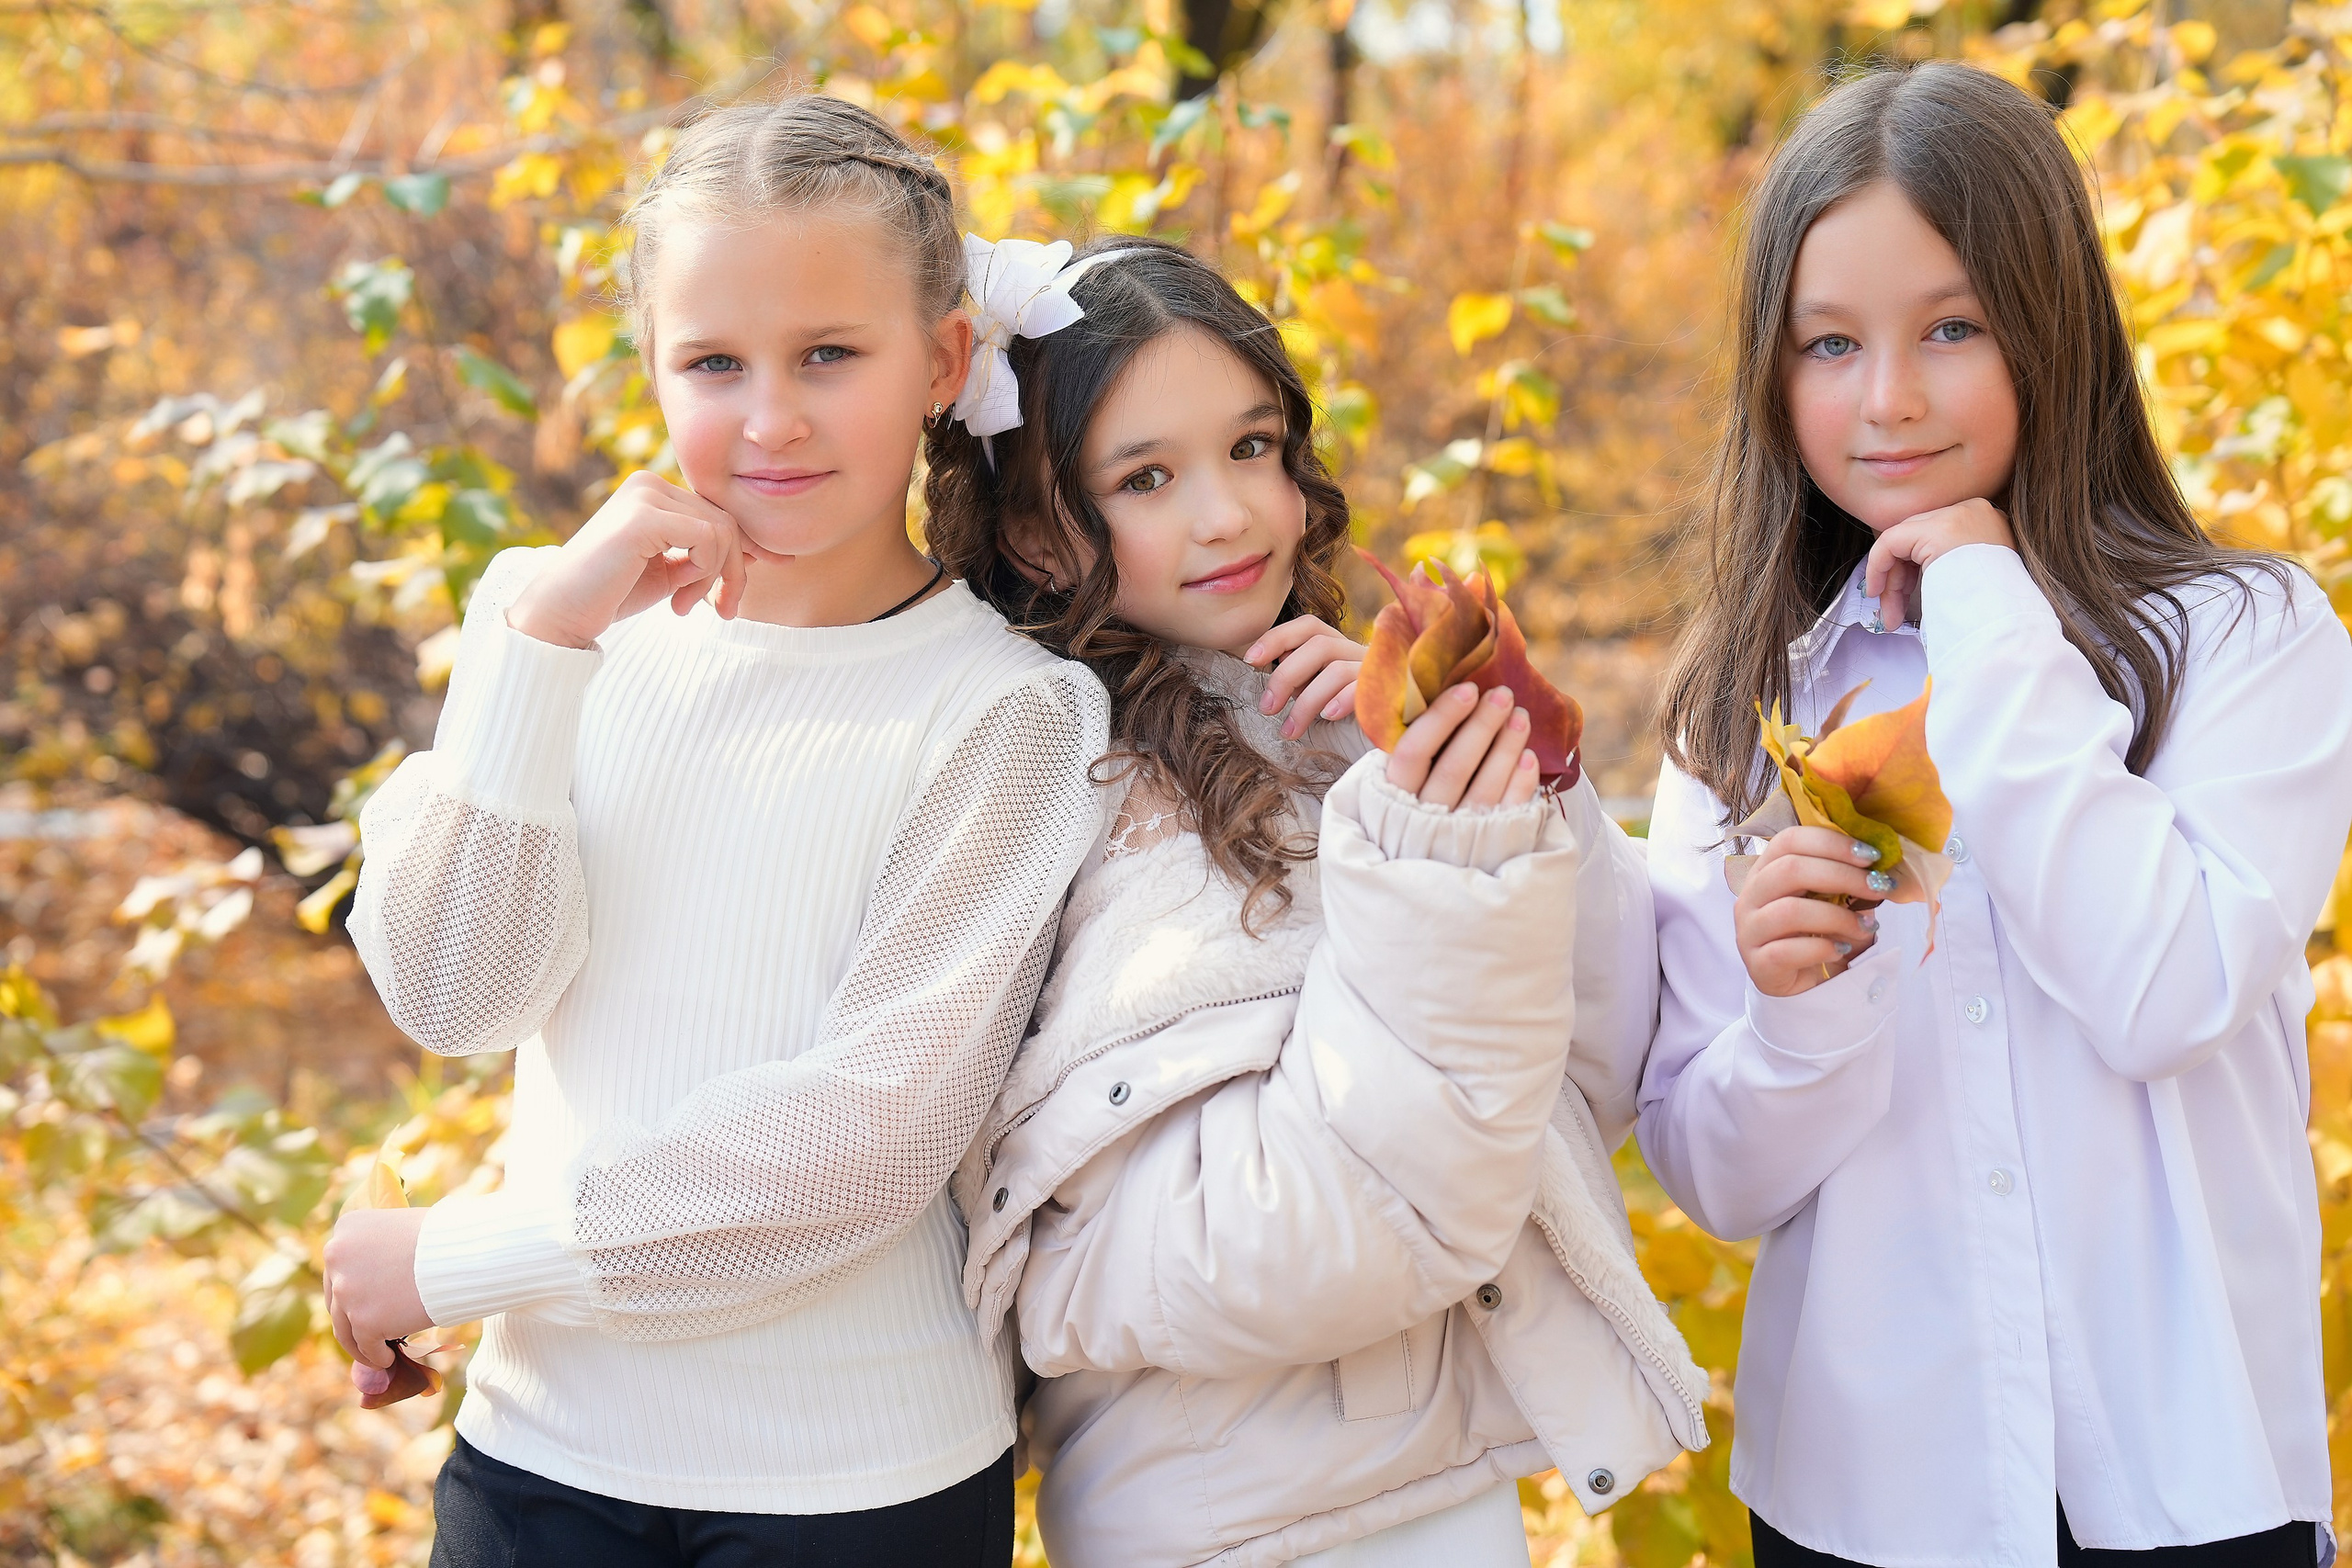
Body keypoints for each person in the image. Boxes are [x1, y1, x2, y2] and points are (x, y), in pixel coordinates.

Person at [318, 96, 1108, 1568]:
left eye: (830, 355)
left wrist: (457, 1259)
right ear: (653, 367)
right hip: (538, 1458)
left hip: (860, 1483)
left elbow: (868, 1134)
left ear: (943, 362)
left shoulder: (1009, 713)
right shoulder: (554, 626)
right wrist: (542, 644)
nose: (771, 419)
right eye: (715, 363)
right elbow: (454, 998)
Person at [1639, 60, 2352, 1568]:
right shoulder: (1742, 710)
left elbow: (2165, 990)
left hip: (2188, 1482)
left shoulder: (2246, 640)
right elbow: (1714, 1179)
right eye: (1831, 344)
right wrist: (1796, 1013)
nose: (1888, 399)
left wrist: (1980, 591)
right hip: (1868, 1504)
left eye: (1952, 329)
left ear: (2053, 326)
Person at [922, 234, 1708, 1568]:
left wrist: (1499, 782)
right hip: (1235, 1523)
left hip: (1436, 1480)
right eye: (1146, 478)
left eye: (1253, 448)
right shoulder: (1064, 787)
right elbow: (1271, 1238)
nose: (1230, 514)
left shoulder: (1340, 727)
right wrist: (1435, 849)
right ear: (1038, 534)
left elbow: (1598, 1067)